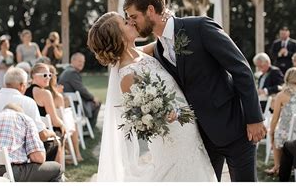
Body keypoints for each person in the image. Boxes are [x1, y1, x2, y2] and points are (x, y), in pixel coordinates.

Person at [123, 0, 265, 182]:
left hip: (235, 128)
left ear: (150, 10)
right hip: (202, 138)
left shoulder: (200, 27)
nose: (132, 22)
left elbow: (241, 69)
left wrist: (254, 118)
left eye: (133, 16)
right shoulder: (159, 50)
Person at [87, 11, 217, 182]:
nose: (131, 23)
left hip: (187, 130)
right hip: (172, 140)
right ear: (118, 37)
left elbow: (166, 38)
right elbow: (147, 121)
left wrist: (164, 17)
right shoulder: (127, 76)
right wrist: (167, 114)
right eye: (125, 23)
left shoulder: (143, 53)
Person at [0, 103, 64, 182]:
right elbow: (38, 157)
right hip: (6, 173)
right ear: (21, 112)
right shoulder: (24, 118)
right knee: (57, 169)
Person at [0, 67, 58, 151]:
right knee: (56, 144)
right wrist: (52, 133)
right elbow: (41, 135)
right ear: (22, 85)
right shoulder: (28, 102)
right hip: (17, 154)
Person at [265, 68, 296, 176]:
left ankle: (277, 166)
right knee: (277, 132)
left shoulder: (281, 95)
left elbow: (275, 117)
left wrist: (271, 131)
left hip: (285, 133)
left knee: (274, 133)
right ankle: (288, 166)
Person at [25, 63, 66, 164]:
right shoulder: (45, 93)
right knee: (61, 133)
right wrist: (63, 124)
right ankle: (58, 172)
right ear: (34, 75)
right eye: (44, 75)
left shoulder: (24, 91)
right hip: (43, 135)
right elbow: (55, 121)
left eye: (49, 75)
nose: (48, 77)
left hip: (29, 134)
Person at [48, 65, 83, 162]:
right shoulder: (56, 96)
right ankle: (77, 154)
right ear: (54, 77)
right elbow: (62, 110)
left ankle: (70, 152)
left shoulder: (39, 92)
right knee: (73, 124)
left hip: (46, 125)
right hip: (57, 125)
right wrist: (60, 94)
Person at [59, 52, 101, 128]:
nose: (82, 64)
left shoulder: (67, 71)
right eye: (79, 61)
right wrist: (93, 98)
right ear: (72, 61)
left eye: (83, 62)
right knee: (97, 103)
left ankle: (87, 127)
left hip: (68, 104)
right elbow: (81, 90)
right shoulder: (72, 72)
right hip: (73, 106)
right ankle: (89, 128)